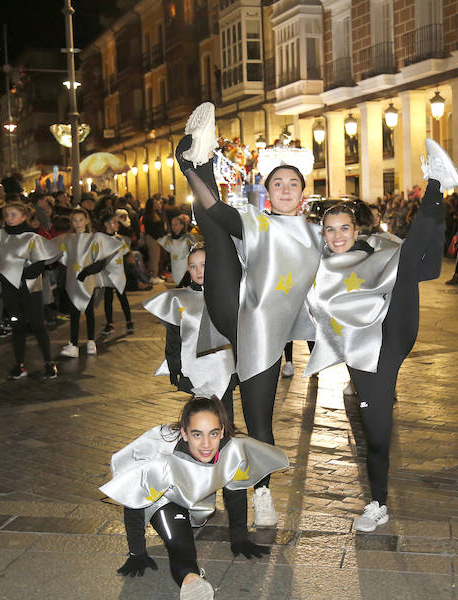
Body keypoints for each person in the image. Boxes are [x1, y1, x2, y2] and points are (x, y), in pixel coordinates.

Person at [175, 102, 323, 527]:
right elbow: (215, 212)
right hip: (232, 309)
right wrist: (193, 178)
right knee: (219, 233)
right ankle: (194, 162)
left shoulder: (316, 234)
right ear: (267, 191)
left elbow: (344, 259)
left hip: (264, 337)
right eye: (277, 183)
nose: (284, 187)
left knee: (257, 421)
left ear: (302, 193)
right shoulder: (256, 221)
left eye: (292, 182)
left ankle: (261, 495)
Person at [305, 184, 445, 532]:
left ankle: (435, 190)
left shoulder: (377, 248)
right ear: (323, 234)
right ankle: (380, 501)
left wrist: (433, 222)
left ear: (356, 230)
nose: (338, 236)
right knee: (377, 434)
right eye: (330, 229)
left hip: (393, 332)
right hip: (363, 353)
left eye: (344, 228)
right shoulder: (317, 265)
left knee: (408, 257)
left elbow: (427, 269)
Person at [102, 396, 287, 600]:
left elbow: (235, 492)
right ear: (185, 434)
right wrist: (137, 552)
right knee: (180, 543)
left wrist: (239, 538)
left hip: (195, 505)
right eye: (197, 434)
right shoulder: (163, 463)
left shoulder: (233, 450)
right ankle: (192, 582)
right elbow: (134, 498)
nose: (206, 444)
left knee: (190, 525)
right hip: (163, 502)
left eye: (213, 433)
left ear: (222, 431)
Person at [0, 202, 61, 379]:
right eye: (7, 215)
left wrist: (19, 277)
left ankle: (49, 362)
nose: (9, 218)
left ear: (23, 217)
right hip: (9, 289)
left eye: (13, 215)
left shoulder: (32, 238)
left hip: (30, 288)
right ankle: (19, 364)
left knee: (37, 325)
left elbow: (39, 264)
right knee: (17, 325)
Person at [144, 245, 236, 416]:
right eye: (193, 266)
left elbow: (237, 334)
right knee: (201, 416)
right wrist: (174, 365)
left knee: (225, 417)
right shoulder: (179, 299)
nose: (198, 271)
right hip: (195, 370)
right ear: (188, 269)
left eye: (203, 264)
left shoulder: (228, 295)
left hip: (224, 368)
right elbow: (173, 336)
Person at [55, 208, 124, 357]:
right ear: (71, 222)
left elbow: (100, 260)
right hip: (73, 280)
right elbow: (64, 259)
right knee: (74, 313)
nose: (78, 223)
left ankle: (90, 341)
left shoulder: (93, 238)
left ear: (86, 221)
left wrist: (86, 272)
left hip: (87, 279)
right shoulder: (68, 239)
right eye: (75, 220)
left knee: (89, 311)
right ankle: (73, 344)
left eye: (81, 220)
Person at [98, 212, 134, 336]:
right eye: (114, 222)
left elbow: (125, 252)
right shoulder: (101, 239)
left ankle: (129, 321)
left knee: (122, 297)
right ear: (106, 224)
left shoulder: (119, 238)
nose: (117, 225)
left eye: (117, 222)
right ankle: (110, 323)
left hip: (119, 272)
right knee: (108, 298)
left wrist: (129, 257)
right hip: (107, 272)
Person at [159, 215, 198, 284]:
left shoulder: (188, 238)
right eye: (172, 224)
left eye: (176, 224)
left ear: (182, 225)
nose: (173, 226)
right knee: (177, 282)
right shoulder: (168, 239)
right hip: (175, 266)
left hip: (185, 266)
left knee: (184, 284)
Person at [142, 196, 168, 283]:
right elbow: (150, 230)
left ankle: (156, 274)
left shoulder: (157, 213)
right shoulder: (148, 216)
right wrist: (158, 237)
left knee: (158, 258)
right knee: (154, 258)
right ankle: (153, 276)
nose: (157, 204)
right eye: (155, 203)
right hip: (153, 238)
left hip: (158, 238)